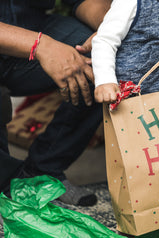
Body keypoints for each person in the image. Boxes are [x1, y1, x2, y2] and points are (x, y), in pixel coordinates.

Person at [0, 0, 111, 206]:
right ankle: (5, 185)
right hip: (28, 37)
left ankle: (43, 168)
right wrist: (40, 45)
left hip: (32, 23)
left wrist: (113, 28)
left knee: (109, 56)